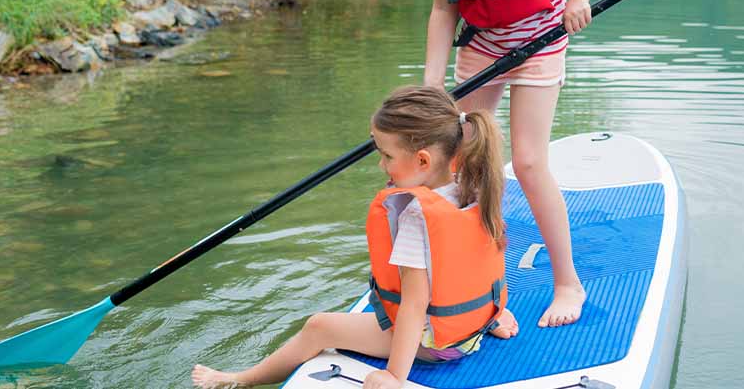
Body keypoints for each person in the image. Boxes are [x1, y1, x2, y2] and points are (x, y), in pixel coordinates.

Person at [400, 0, 603, 328]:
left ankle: (568, 284)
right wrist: (431, 86)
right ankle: (481, 292)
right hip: (484, 47)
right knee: (466, 165)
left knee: (531, 162)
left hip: (540, 43)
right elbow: (444, 9)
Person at [191, 86, 518, 389]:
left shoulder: (418, 217)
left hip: (436, 346)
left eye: (387, 156)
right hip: (476, 327)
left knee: (319, 327)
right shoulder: (475, 185)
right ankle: (487, 321)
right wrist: (489, 316)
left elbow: (414, 305)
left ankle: (241, 379)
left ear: (422, 160)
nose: (381, 164)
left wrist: (394, 375)